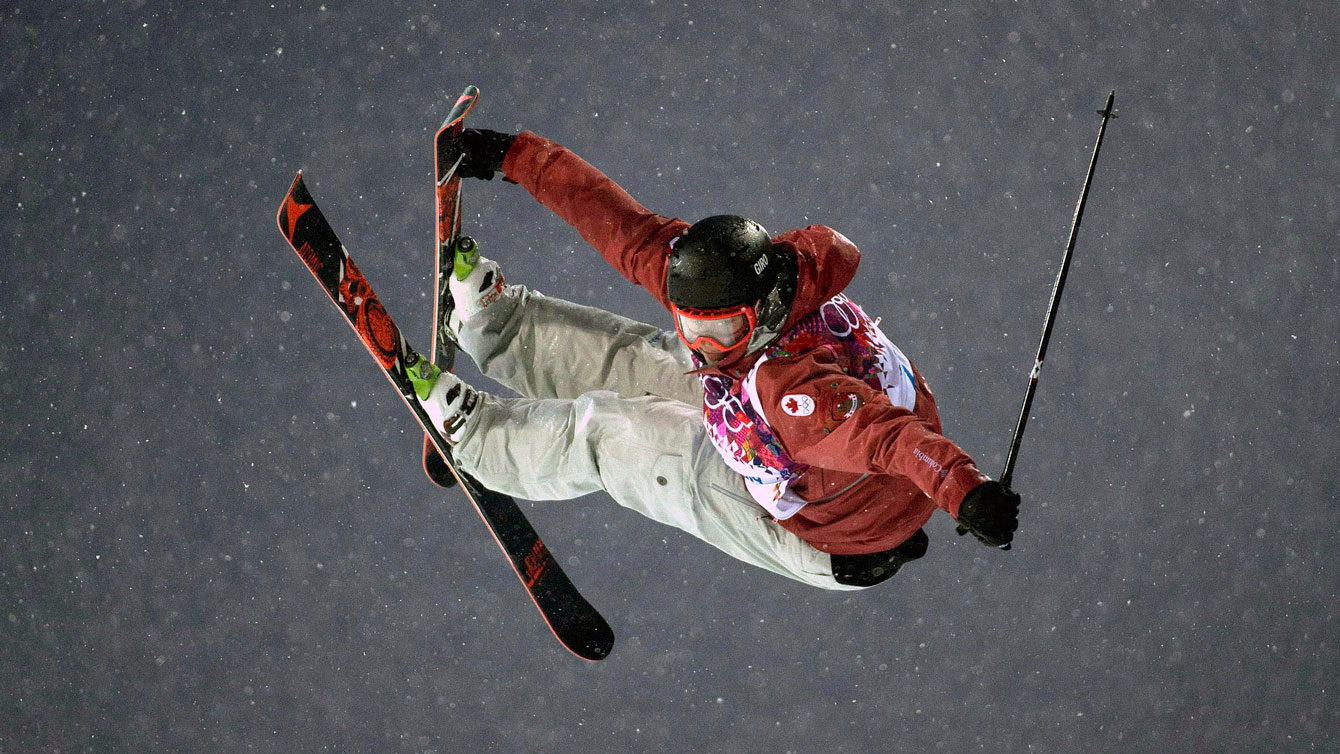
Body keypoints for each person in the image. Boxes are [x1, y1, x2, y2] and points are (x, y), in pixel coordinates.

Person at [406, 127, 1020, 591]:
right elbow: (621, 224)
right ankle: (499, 325)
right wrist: (517, 156)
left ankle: (475, 436)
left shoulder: (792, 389)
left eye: (720, 328)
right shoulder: (720, 291)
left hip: (820, 526)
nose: (700, 341)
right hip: (797, 441)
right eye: (692, 321)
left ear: (764, 309)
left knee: (623, 436)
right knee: (645, 361)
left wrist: (966, 493)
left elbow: (890, 438)